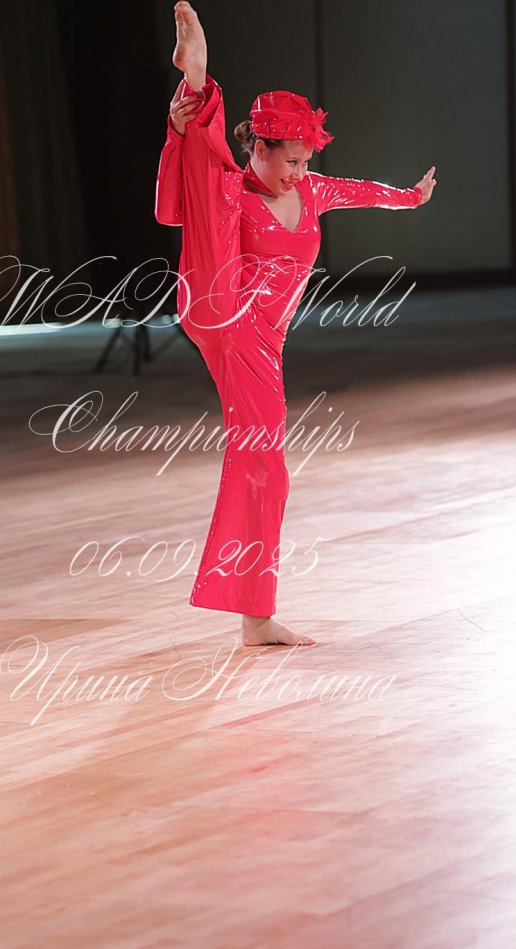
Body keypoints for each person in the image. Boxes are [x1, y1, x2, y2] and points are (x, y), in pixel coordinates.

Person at [155, 0, 436, 647]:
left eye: (306, 162)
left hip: (267, 342)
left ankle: (252, 613)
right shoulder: (235, 189)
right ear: (257, 147)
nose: (299, 174)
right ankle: (197, 83)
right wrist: (180, 123)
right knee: (267, 465)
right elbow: (189, 190)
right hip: (228, 313)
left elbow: (362, 190)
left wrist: (411, 197)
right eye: (289, 162)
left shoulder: (311, 191)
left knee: (263, 466)